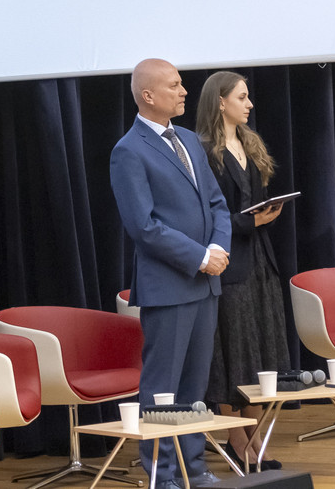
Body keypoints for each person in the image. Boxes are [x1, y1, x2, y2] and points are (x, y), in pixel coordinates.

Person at [111, 59, 233, 489]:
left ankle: (192, 468)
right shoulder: (129, 150)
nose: (184, 92)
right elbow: (143, 226)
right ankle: (161, 475)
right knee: (163, 388)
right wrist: (199, 256)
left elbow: (216, 203)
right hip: (169, 287)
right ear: (148, 95)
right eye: (174, 85)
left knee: (195, 387)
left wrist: (217, 249)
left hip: (205, 284)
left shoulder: (189, 139)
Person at [196, 71, 289, 472]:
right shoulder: (203, 151)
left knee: (261, 353)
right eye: (242, 96)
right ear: (220, 101)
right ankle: (239, 442)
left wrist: (264, 215)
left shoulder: (249, 143)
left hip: (260, 262)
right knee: (235, 354)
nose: (249, 104)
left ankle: (253, 443)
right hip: (230, 264)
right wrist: (249, 222)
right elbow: (206, 218)